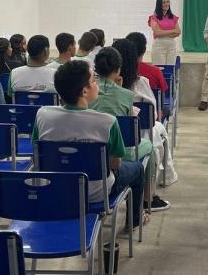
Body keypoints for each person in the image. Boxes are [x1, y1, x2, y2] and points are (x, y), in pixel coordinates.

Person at [32, 60, 146, 229]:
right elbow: (115, 164)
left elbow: (37, 154)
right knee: (137, 169)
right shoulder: (107, 122)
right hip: (95, 192)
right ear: (84, 91)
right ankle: (135, 220)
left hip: (55, 186)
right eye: (94, 79)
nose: (97, 83)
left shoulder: (42, 114)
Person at [90, 47, 169, 211]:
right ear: (118, 69)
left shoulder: (87, 93)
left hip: (91, 152)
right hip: (119, 154)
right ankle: (146, 201)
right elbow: (126, 123)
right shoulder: (126, 95)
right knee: (149, 147)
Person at [113, 38, 178, 189]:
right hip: (138, 138)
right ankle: (161, 183)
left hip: (110, 145)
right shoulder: (141, 82)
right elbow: (152, 114)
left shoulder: (98, 91)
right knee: (159, 131)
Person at [148, 0, 181, 65]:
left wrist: (163, 32)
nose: (166, 4)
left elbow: (178, 32)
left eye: (167, 2)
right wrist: (173, 31)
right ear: (159, 4)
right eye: (164, 2)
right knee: (160, 70)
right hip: (159, 45)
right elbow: (157, 33)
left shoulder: (173, 17)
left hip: (171, 45)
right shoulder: (154, 17)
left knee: (170, 70)